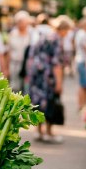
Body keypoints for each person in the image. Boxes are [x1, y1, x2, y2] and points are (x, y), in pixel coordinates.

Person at [25, 15, 72, 143]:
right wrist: (59, 83)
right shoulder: (57, 40)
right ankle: (49, 132)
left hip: (37, 74)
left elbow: (32, 54)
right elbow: (57, 64)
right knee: (50, 102)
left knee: (39, 102)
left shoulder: (44, 36)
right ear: (63, 29)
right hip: (48, 76)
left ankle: (39, 131)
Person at [6, 10, 32, 91]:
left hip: (28, 65)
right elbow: (8, 51)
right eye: (19, 22)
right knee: (15, 87)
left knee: (27, 88)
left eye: (23, 21)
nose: (21, 24)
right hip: (14, 64)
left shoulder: (32, 34)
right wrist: (6, 68)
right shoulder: (12, 34)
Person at [74, 16, 86, 110]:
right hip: (82, 61)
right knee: (84, 84)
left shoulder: (80, 33)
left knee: (85, 84)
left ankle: (83, 103)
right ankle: (81, 104)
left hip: (81, 60)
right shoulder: (83, 34)